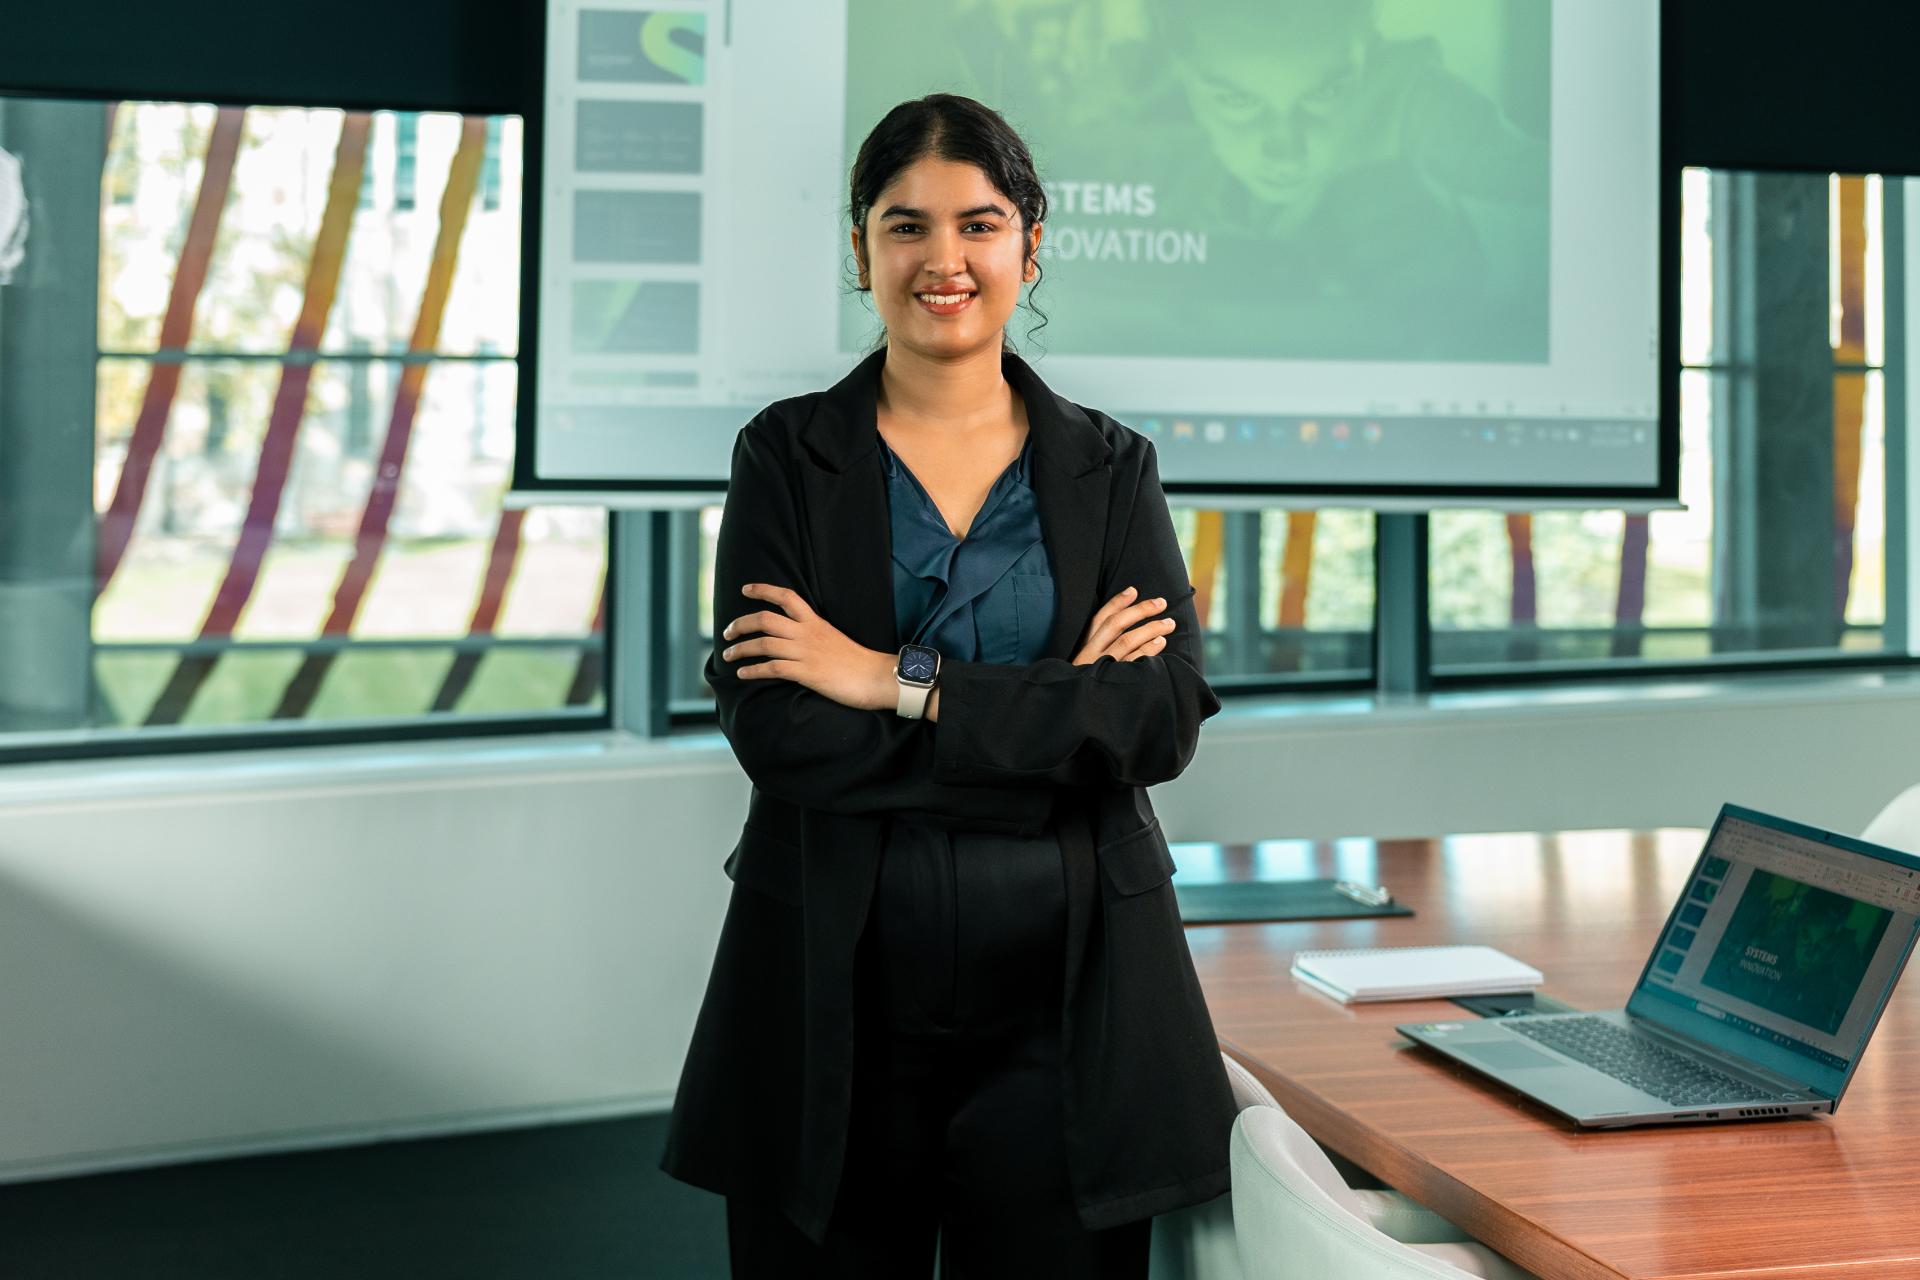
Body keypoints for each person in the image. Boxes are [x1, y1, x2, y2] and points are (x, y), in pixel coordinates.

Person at [659, 93, 1236, 1277]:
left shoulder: (1112, 468)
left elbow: (1160, 715)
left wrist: (892, 680)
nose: (943, 258)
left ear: (1031, 244)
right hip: (834, 990)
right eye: (904, 225)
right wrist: (1054, 713)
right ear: (861, 250)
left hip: (1072, 1005)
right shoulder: (785, 454)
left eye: (978, 223)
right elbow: (779, 730)